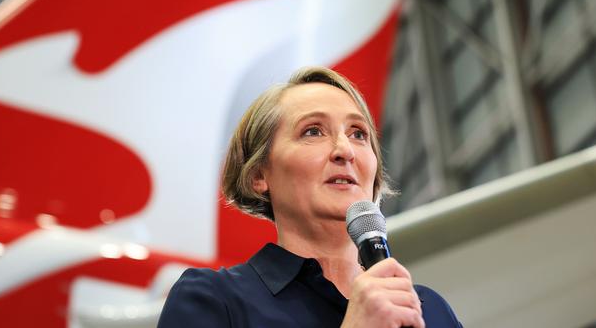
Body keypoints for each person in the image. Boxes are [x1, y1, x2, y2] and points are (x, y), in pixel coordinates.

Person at [157, 66, 462, 327]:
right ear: (259, 175)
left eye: (358, 133)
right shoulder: (214, 300)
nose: (345, 150)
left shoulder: (430, 310)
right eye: (313, 132)